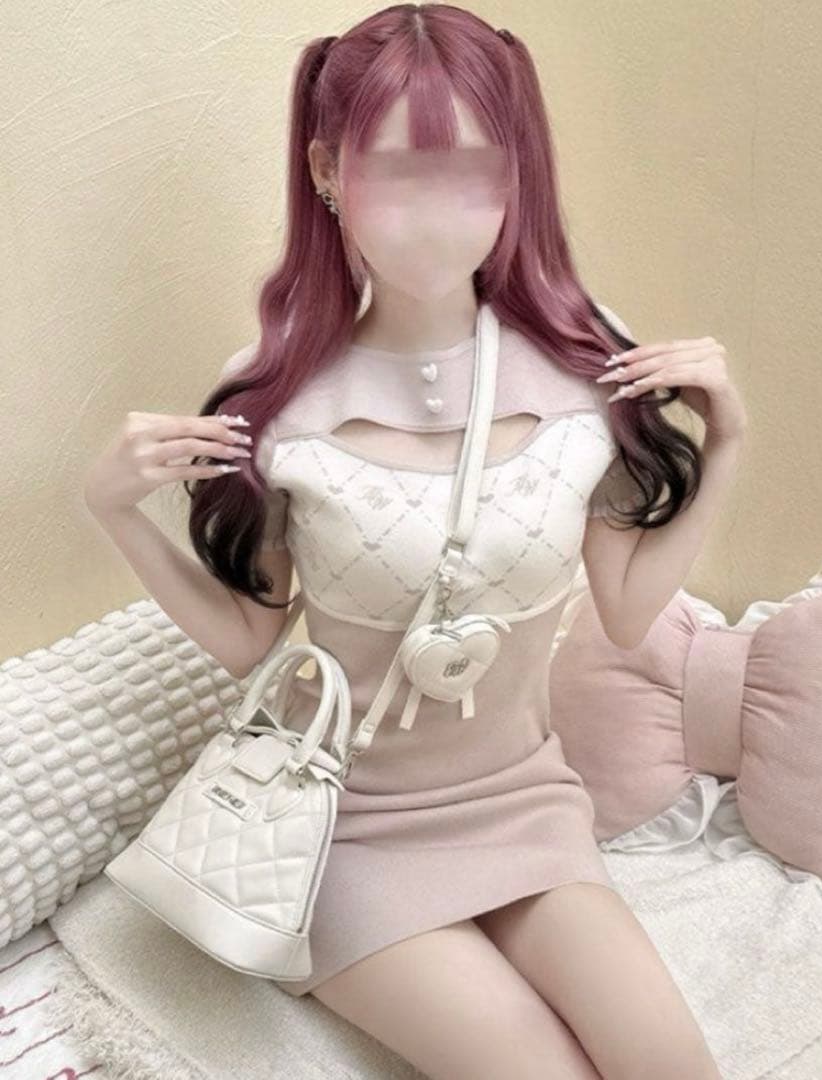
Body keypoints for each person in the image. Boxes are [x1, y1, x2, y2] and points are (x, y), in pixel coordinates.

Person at [85, 5, 746, 1078]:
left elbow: (627, 610)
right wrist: (115, 510)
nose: (438, 216)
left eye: (473, 171)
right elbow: (254, 640)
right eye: (398, 172)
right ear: (328, 172)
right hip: (345, 828)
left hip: (526, 802)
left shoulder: (585, 368)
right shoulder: (277, 400)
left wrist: (728, 443)